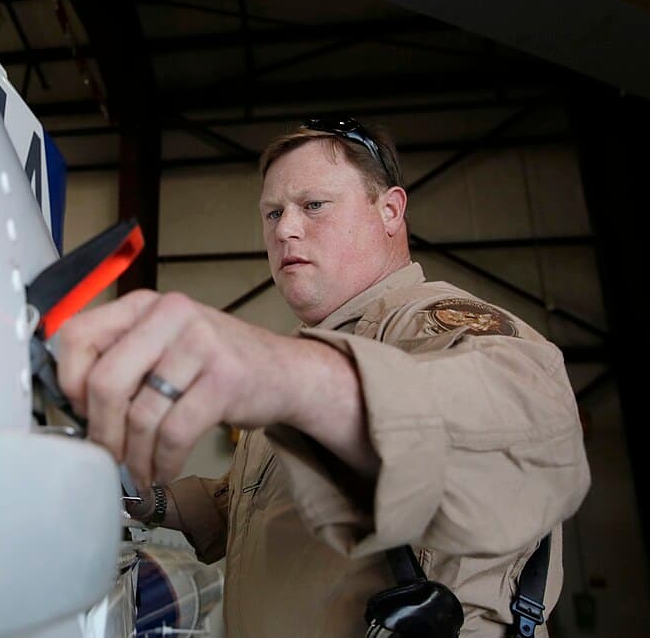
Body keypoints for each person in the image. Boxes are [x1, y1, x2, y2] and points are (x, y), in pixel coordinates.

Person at [57, 118, 590, 637]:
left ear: (389, 210)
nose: (285, 228)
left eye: (313, 205)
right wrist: (142, 499)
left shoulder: (431, 322)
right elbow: (255, 502)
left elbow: (534, 437)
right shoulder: (310, 354)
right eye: (272, 213)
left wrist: (285, 374)